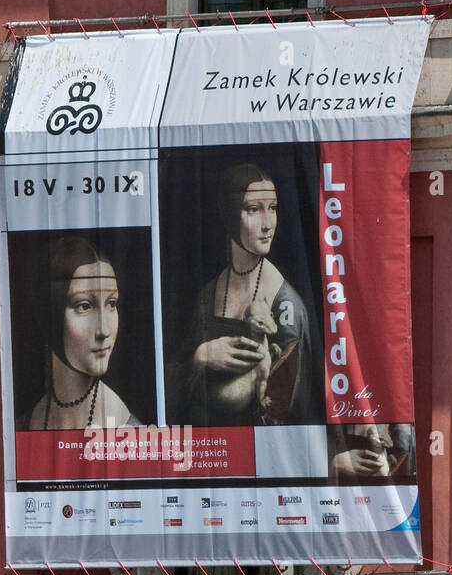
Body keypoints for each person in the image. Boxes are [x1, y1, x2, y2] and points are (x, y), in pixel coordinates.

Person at [167, 163, 317, 426]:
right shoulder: (209, 294)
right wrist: (201, 357)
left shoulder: (286, 306)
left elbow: (289, 407)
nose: (268, 224)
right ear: (230, 215)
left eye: (273, 208)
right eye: (254, 210)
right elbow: (172, 392)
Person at [18, 236, 137, 431]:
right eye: (84, 306)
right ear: (50, 315)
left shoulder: (127, 428)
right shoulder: (25, 422)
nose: (104, 331)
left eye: (112, 303)